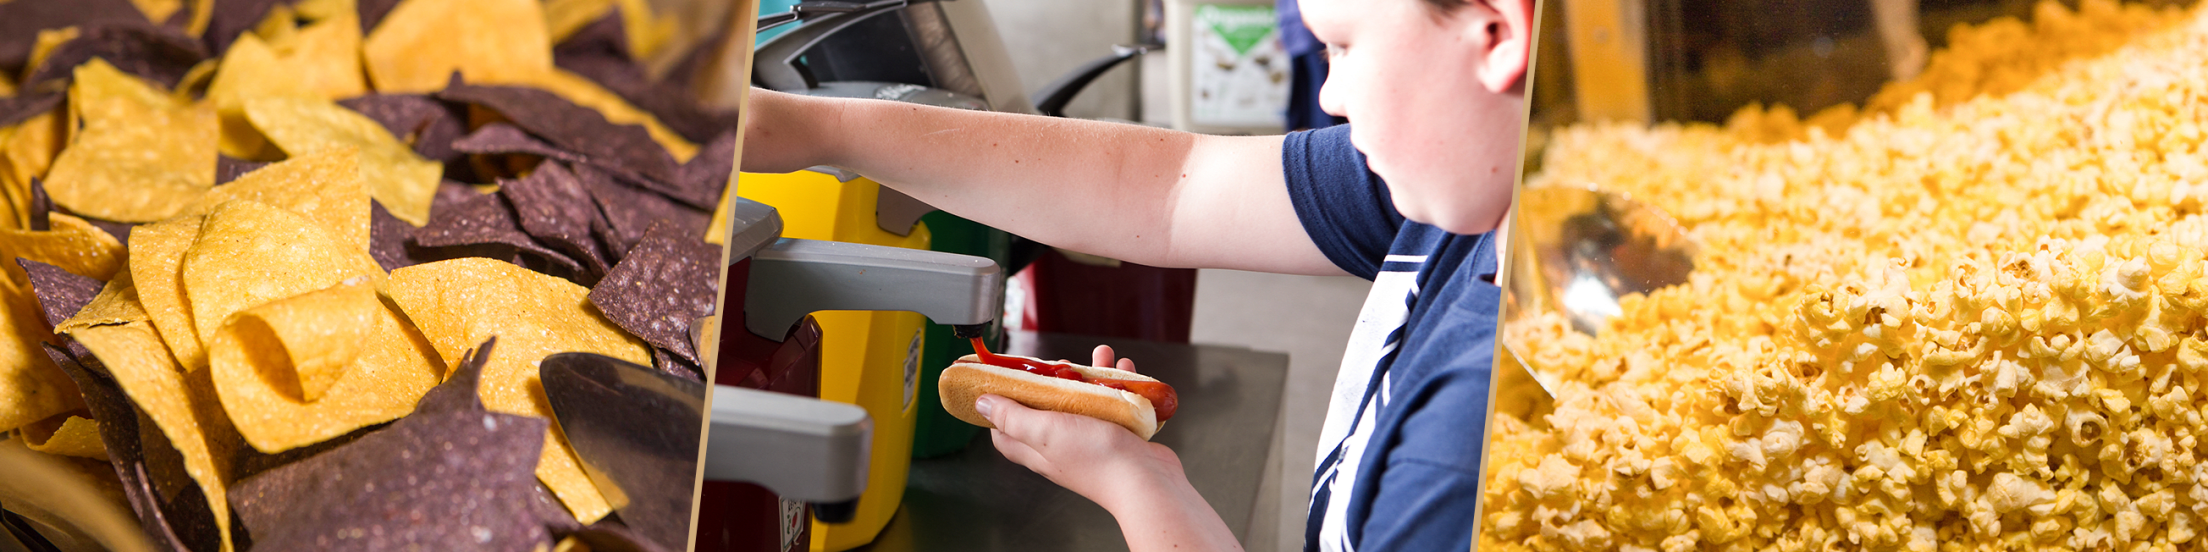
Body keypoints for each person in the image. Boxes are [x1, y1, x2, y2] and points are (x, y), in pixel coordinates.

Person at [738, 0, 1532, 549]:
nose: (1327, 91)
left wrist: (1141, 491)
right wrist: (818, 126)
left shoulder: (1471, 448)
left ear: (1498, 34)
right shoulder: (1457, 195)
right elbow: (1167, 184)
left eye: (1347, 45)